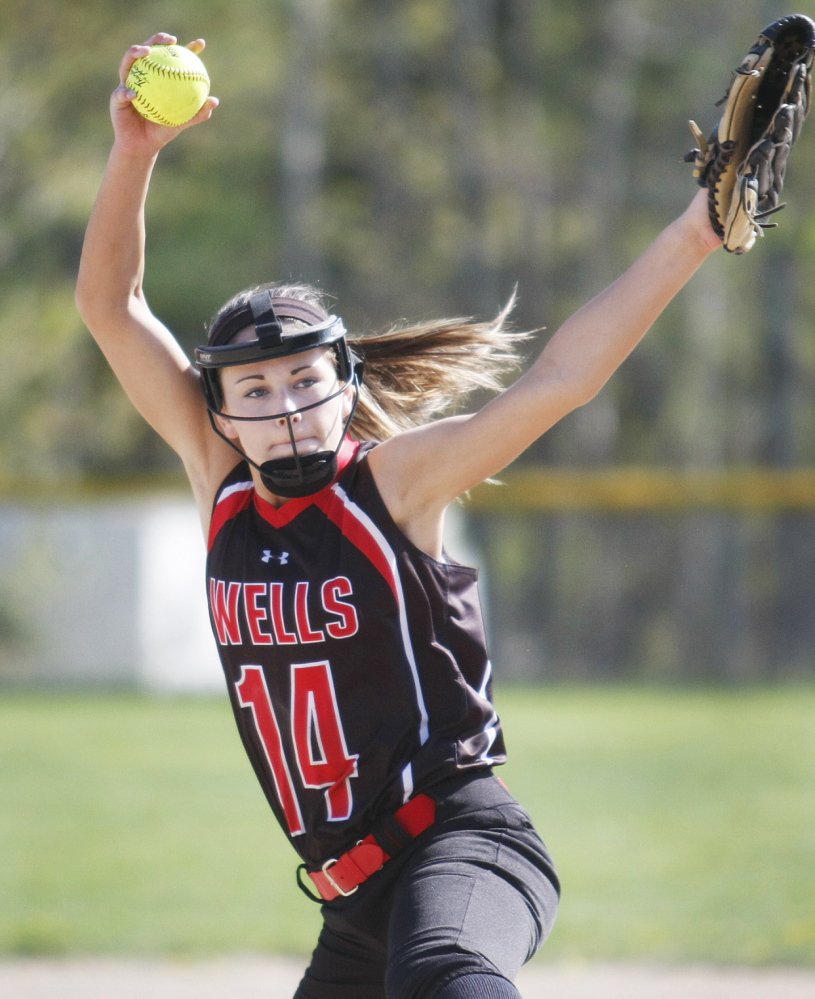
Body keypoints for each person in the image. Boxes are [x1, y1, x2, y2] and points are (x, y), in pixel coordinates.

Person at [75, 32, 722, 999]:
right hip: (354, 907)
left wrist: (695, 232)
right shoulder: (220, 486)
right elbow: (111, 304)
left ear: (345, 384)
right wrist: (134, 153)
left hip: (463, 846)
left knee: (450, 978)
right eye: (252, 387)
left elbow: (558, 381)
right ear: (217, 410)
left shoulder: (391, 485)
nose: (283, 402)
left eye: (303, 377)